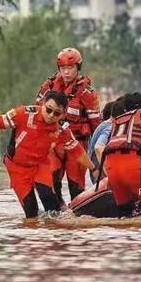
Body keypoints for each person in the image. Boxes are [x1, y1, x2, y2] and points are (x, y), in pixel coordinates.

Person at [0, 91, 94, 219]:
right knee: (31, 213)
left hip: (40, 165)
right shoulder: (24, 113)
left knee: (50, 201)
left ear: (63, 114)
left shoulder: (62, 130)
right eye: (48, 110)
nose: (51, 116)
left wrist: (95, 169)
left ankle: (55, 233)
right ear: (43, 104)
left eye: (57, 113)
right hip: (17, 167)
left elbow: (78, 153)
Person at [36, 47, 101, 204]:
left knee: (76, 186)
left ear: (78, 68)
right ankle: (56, 217)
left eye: (70, 68)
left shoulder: (87, 93)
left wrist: (97, 155)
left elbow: (97, 125)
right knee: (51, 184)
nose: (66, 72)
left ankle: (77, 220)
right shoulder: (48, 87)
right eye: (63, 68)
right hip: (53, 144)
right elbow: (38, 115)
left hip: (77, 143)